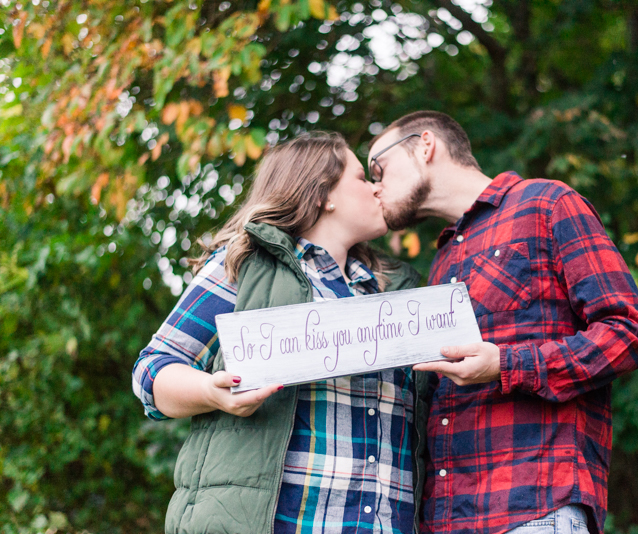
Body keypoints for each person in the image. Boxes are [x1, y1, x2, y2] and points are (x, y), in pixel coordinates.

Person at [367, 111, 638, 534]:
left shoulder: (547, 204)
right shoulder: (442, 260)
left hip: (533, 509)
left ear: (425, 145)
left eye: (379, 168)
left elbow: (630, 332)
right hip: (449, 520)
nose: (375, 186)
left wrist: (506, 365)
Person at [132, 132, 431, 534]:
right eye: (362, 178)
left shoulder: (397, 295)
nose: (377, 188)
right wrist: (211, 392)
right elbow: (152, 371)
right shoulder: (247, 265)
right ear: (325, 193)